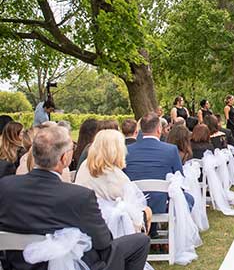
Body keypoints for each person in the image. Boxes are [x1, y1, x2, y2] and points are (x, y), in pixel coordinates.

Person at [0, 126, 150, 270]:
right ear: (64, 158)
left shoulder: (5, 186)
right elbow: (103, 242)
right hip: (70, 265)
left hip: (18, 264)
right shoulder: (79, 196)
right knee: (140, 241)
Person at [75, 129, 152, 234]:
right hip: (109, 226)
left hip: (84, 220)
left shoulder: (84, 166)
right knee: (147, 211)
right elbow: (133, 204)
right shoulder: (116, 176)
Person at [124, 112, 187, 234]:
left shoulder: (126, 150)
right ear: (159, 129)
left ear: (140, 129)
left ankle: (151, 232)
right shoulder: (170, 150)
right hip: (161, 205)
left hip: (135, 204)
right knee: (188, 199)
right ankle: (173, 235)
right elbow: (180, 178)